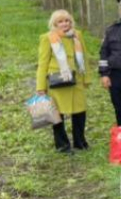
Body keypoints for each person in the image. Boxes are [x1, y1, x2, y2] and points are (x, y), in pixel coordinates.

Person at [36, 9, 89, 153]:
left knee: (80, 111)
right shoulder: (47, 38)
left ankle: (80, 142)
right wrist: (41, 86)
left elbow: (84, 57)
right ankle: (62, 145)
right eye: (60, 21)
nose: (64, 23)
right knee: (57, 114)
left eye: (67, 20)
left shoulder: (77, 35)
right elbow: (42, 63)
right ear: (54, 23)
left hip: (76, 80)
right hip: (57, 81)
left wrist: (86, 78)